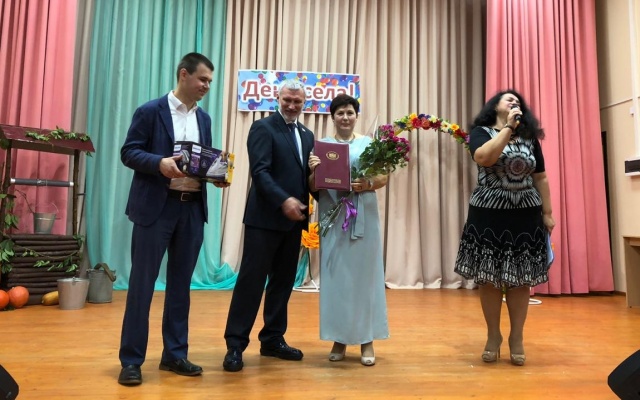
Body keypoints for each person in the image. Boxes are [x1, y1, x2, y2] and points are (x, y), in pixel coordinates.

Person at [118, 52, 229, 386]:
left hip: (191, 209)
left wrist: (217, 175)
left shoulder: (204, 119)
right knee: (142, 286)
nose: (207, 85)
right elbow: (129, 152)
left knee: (181, 287)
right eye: (203, 79)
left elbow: (201, 163)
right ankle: (131, 360)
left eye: (210, 81)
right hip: (156, 208)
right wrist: (158, 163)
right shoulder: (150, 111)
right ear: (184, 74)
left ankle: (175, 354)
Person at [454, 89, 555, 366]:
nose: (514, 103)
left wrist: (548, 213)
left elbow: (541, 177)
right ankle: (493, 336)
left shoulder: (529, 137)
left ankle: (517, 337)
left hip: (525, 216)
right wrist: (508, 128)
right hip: (488, 216)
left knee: (521, 279)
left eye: (518, 101)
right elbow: (484, 158)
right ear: (495, 106)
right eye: (509, 99)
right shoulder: (481, 132)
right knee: (488, 278)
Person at [222, 79, 315, 372]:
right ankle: (235, 344)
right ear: (278, 98)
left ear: (304, 103)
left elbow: (306, 179)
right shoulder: (262, 127)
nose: (292, 105)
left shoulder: (307, 135)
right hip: (264, 220)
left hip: (294, 223)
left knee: (283, 284)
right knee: (250, 283)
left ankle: (273, 339)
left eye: (297, 101)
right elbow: (260, 172)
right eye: (287, 99)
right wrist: (283, 200)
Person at [307, 94, 389, 366]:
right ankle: (339, 338)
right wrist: (314, 172)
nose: (345, 117)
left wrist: (367, 184)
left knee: (365, 278)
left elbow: (383, 176)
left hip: (364, 216)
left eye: (349, 113)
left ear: (356, 116)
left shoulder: (369, 143)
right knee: (337, 279)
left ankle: (367, 340)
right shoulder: (321, 146)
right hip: (334, 216)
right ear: (332, 117)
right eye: (340, 113)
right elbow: (312, 186)